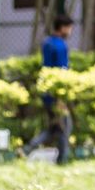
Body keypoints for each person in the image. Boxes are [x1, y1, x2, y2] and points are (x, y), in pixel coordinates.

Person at [25, 14, 75, 164]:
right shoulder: (60, 46)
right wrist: (60, 98)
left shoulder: (47, 42)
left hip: (46, 92)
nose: (70, 32)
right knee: (64, 127)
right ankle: (62, 160)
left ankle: (28, 149)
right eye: (70, 28)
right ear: (63, 28)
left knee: (56, 128)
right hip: (56, 93)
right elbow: (61, 72)